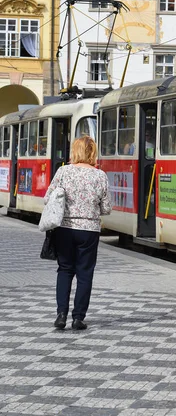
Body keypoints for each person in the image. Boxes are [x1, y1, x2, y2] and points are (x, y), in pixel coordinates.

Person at [44, 136, 111, 331]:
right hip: (89, 231)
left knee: (65, 270)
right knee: (85, 274)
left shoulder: (63, 172)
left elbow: (48, 198)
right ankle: (78, 318)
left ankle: (61, 314)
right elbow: (106, 208)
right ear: (93, 153)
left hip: (64, 229)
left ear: (75, 152)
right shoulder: (100, 176)